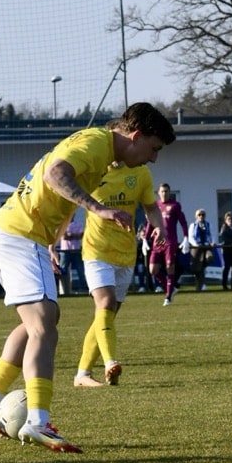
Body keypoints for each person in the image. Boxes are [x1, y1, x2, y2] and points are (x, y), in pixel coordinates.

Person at [0, 102, 175, 452]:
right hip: (20, 233)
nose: (153, 159)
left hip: (14, 232)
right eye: (153, 148)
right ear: (136, 136)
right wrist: (99, 207)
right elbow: (55, 175)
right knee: (44, 324)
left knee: (41, 320)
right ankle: (37, 421)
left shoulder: (101, 151)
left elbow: (56, 191)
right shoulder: (95, 144)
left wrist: (51, 242)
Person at [72, 163, 164, 388]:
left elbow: (150, 207)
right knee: (106, 302)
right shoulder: (94, 169)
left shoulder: (140, 172)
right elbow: (69, 204)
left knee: (106, 315)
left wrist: (159, 226)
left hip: (125, 252)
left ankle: (82, 374)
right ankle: (110, 362)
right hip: (96, 250)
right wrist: (53, 243)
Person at [152, 183, 187, 306]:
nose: (164, 193)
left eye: (166, 191)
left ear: (169, 192)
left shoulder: (175, 205)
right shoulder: (156, 206)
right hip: (158, 241)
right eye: (162, 191)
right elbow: (150, 223)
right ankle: (170, 287)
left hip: (170, 241)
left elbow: (183, 222)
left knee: (169, 268)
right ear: (158, 192)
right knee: (153, 269)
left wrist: (186, 238)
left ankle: (168, 297)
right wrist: (145, 239)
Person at [186, 208, 215, 291]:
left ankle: (202, 283)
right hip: (197, 247)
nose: (201, 216)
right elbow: (190, 237)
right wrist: (196, 244)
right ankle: (200, 286)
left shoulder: (208, 225)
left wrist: (213, 242)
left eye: (203, 214)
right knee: (197, 268)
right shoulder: (193, 225)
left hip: (206, 246)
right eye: (199, 215)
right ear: (196, 216)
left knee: (209, 258)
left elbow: (212, 234)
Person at [218, 211, 232, 290]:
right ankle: (224, 285)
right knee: (227, 267)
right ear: (226, 220)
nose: (230, 220)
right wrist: (231, 243)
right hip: (227, 250)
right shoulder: (224, 228)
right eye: (229, 219)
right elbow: (223, 238)